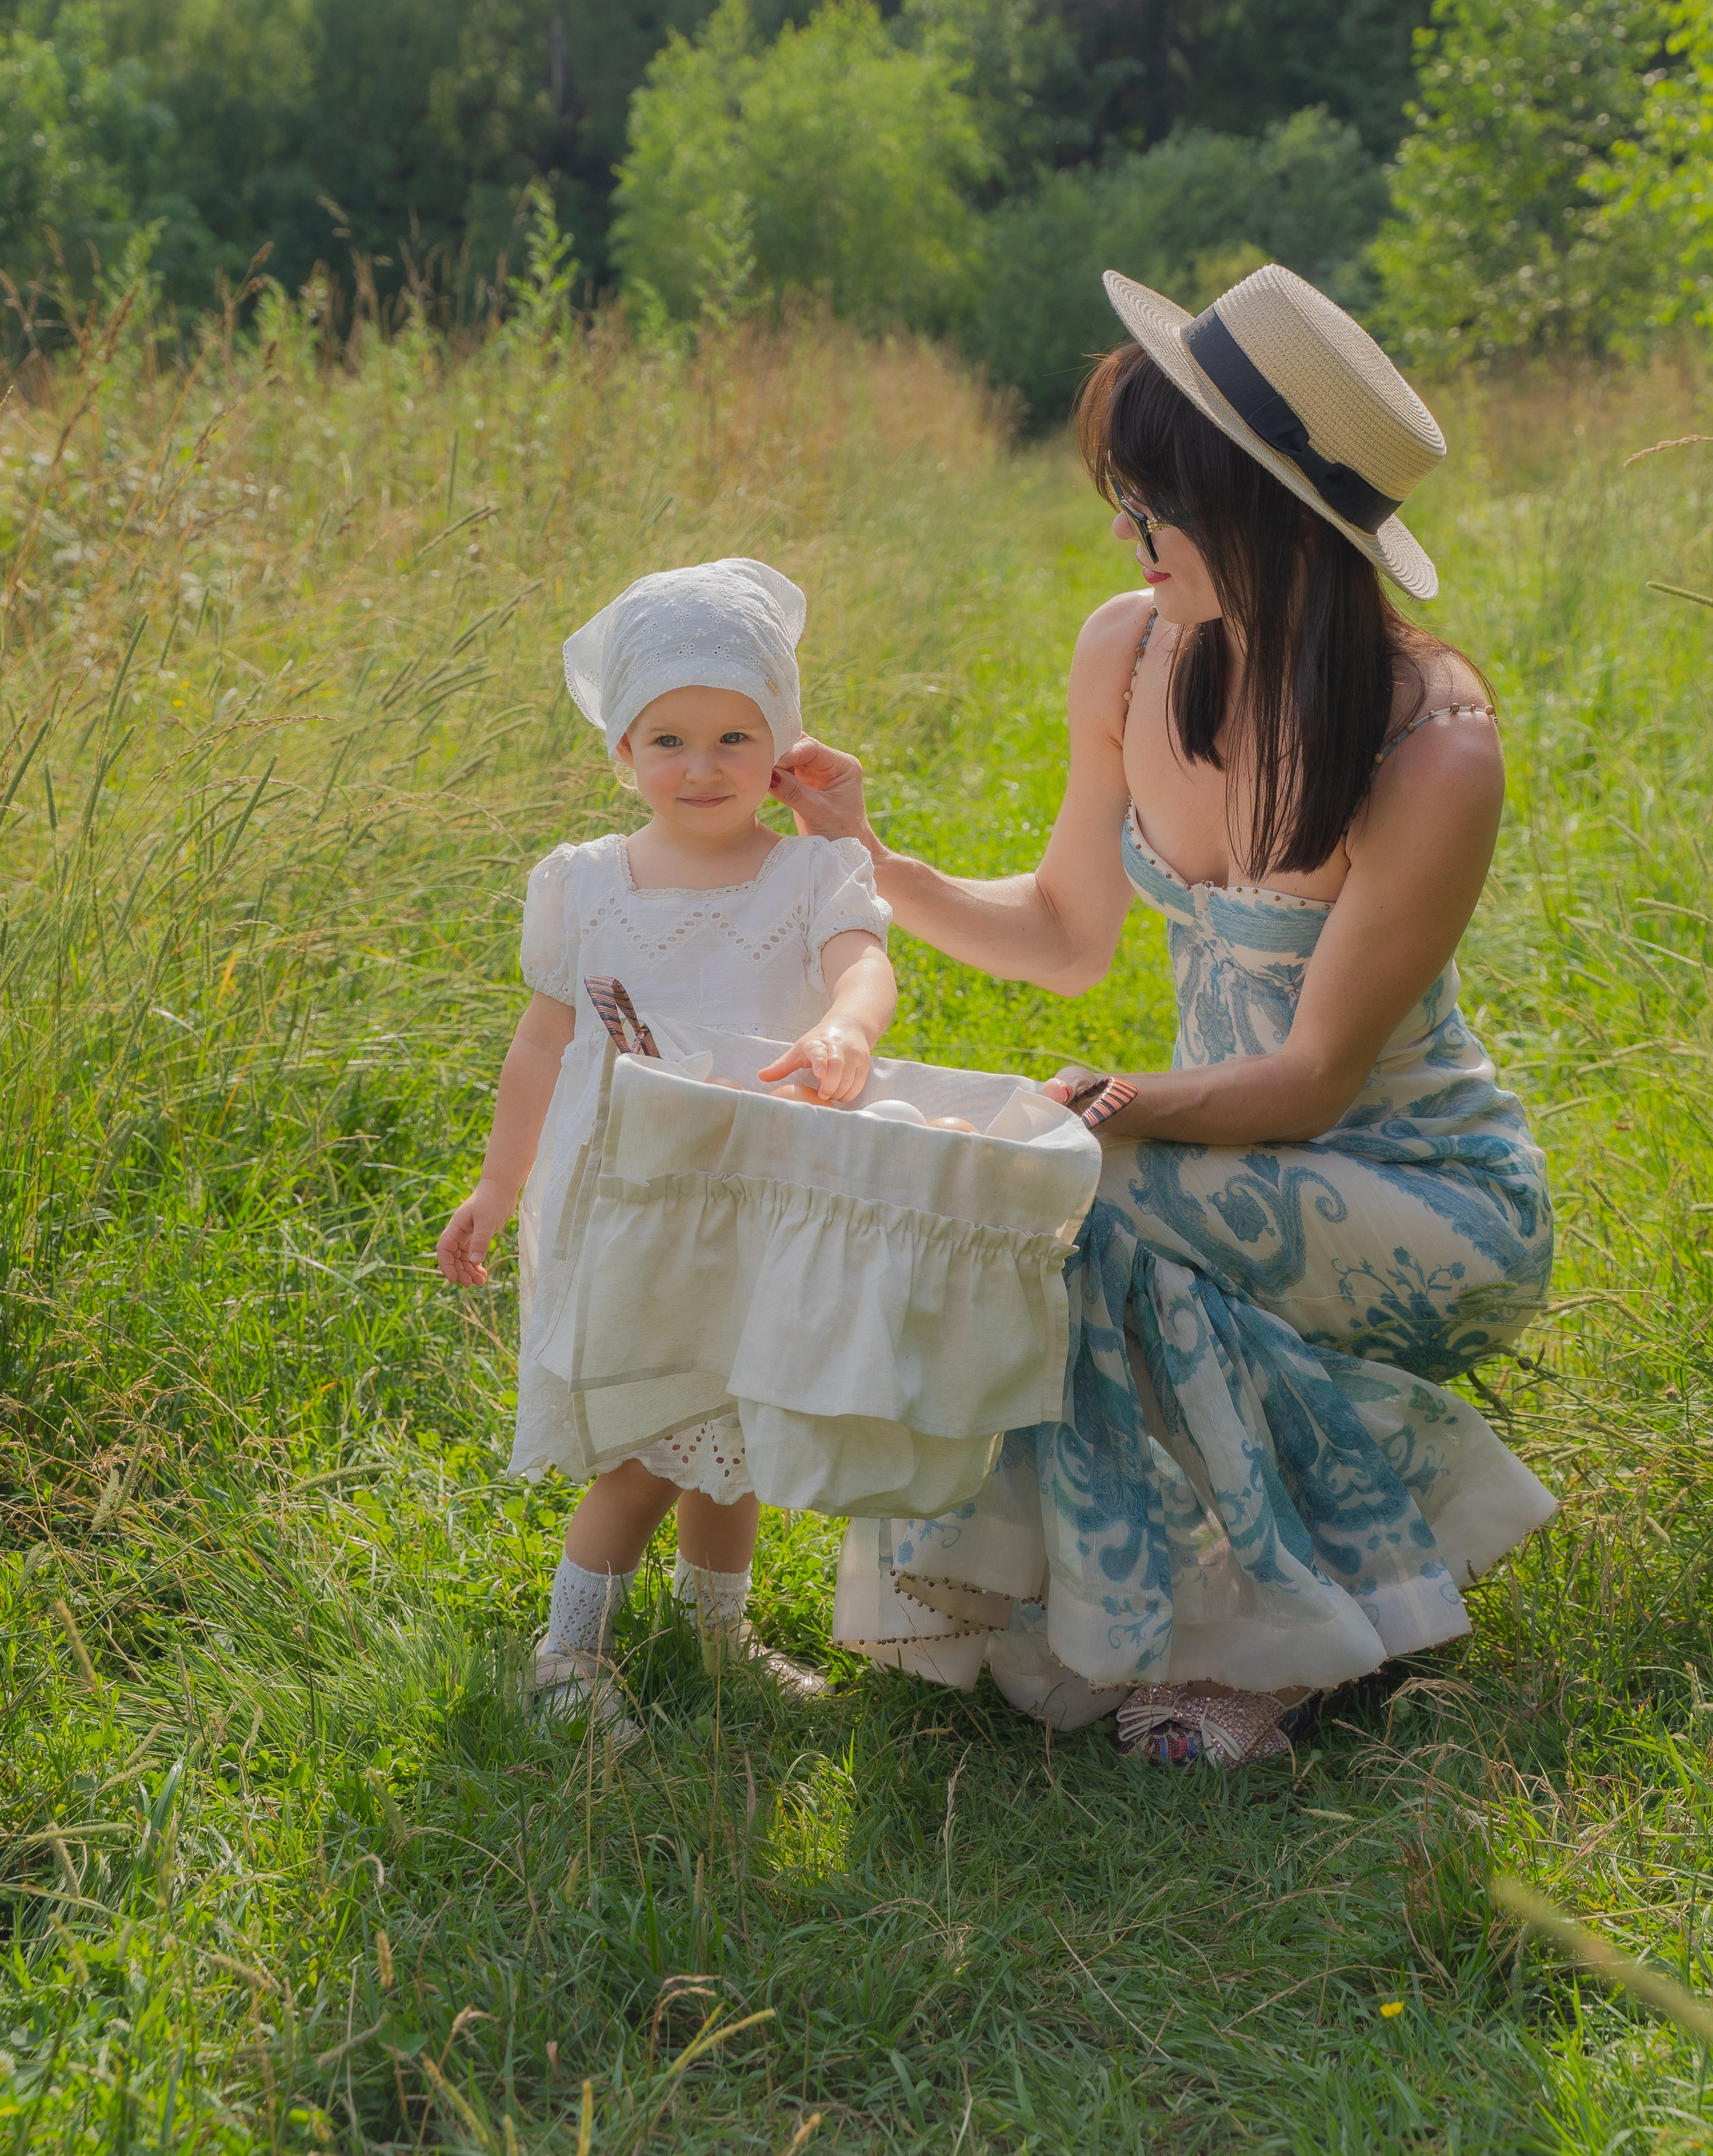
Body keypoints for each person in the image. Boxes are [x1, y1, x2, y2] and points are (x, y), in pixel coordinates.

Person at [783, 263, 1557, 1766]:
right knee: (1058, 1191)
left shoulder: (1428, 744)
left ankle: (1260, 1648)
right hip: (1221, 1169)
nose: (1123, 534)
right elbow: (1071, 934)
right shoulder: (1130, 649)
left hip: (1418, 1196)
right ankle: (1117, 1608)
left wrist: (1112, 1109)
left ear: (1267, 513)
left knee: (1084, 1194)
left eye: (1152, 504)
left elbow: (1312, 1081)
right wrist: (868, 864)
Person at [436, 557, 896, 1732]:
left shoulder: (809, 871)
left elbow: (863, 961)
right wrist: (500, 1183)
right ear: (621, 756)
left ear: (783, 747)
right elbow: (543, 1043)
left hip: (757, 1196)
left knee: (735, 1429)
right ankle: (567, 1650)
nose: (703, 768)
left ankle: (716, 1627)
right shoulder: (588, 883)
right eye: (669, 740)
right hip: (630, 1203)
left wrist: (846, 1025)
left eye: (737, 739)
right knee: (647, 1442)